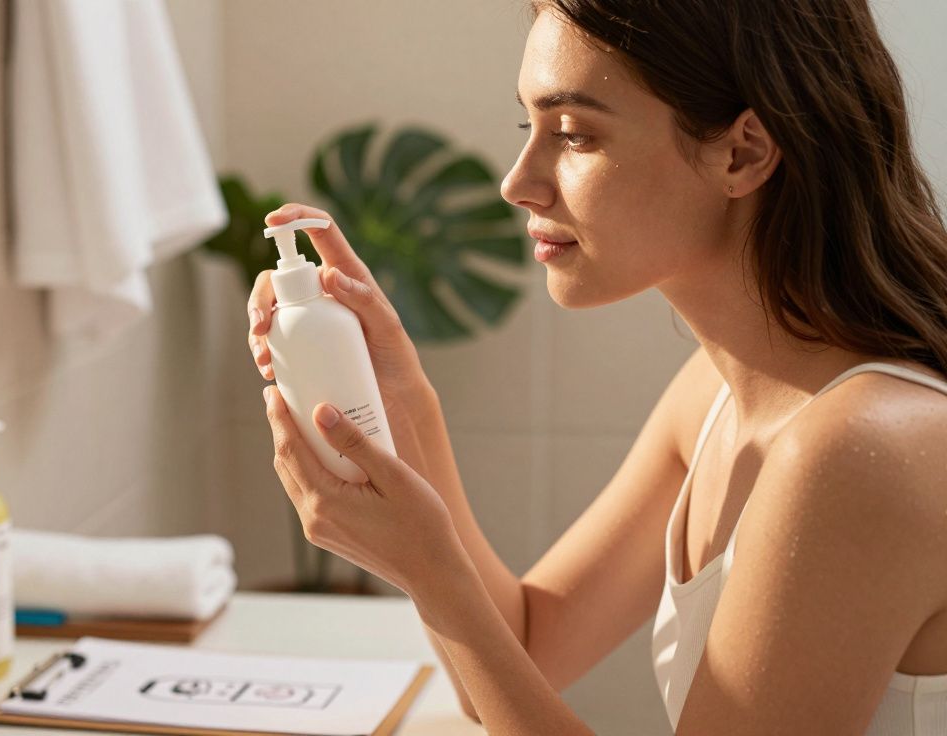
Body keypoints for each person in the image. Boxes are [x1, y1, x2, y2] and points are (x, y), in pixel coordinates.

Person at [245, 1, 947, 733]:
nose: (518, 183)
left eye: (575, 134)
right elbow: (527, 648)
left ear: (742, 154)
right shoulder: (717, 395)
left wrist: (433, 574)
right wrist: (403, 407)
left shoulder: (863, 451)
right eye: (531, 127)